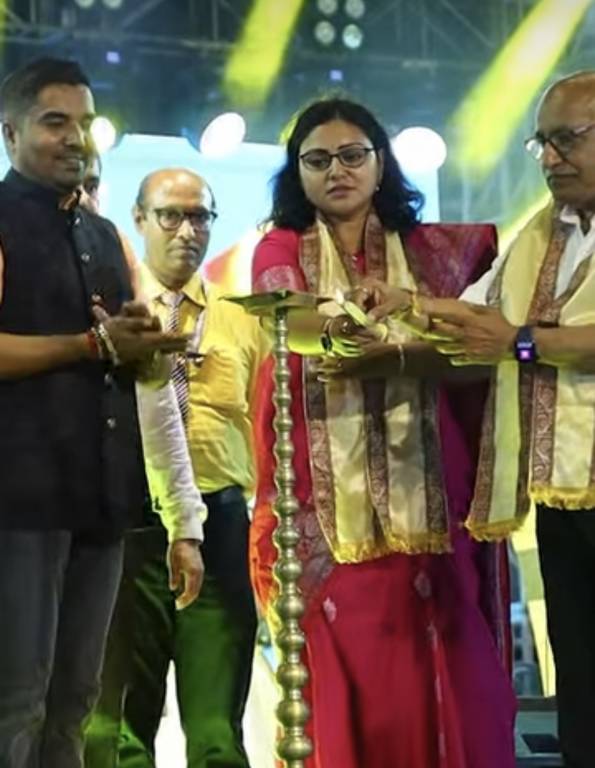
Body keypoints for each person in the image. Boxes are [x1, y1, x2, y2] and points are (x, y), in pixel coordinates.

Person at [250, 97, 516, 768]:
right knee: (347, 665)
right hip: (326, 499)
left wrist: (401, 349)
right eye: (317, 160)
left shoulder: (437, 255)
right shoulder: (281, 247)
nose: (336, 171)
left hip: (433, 488)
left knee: (446, 654)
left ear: (379, 161)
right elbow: (291, 323)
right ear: (296, 172)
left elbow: (479, 347)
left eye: (351, 155)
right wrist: (341, 331)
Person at [398, 71, 595, 768]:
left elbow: (510, 336)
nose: (549, 158)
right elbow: (481, 309)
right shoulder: (543, 229)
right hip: (564, 495)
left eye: (567, 140)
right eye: (540, 143)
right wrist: (404, 308)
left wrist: (519, 343)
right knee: (580, 682)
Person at [0, 57, 188, 768]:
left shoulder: (104, 235)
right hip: (19, 500)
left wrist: (140, 343)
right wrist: (91, 344)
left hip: (101, 494)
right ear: (10, 133)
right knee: (17, 699)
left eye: (85, 123)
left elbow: (117, 352)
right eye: (56, 123)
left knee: (78, 699)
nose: (76, 138)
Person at [85, 168, 269, 768]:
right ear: (139, 220)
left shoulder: (245, 317)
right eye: (171, 215)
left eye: (200, 216)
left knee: (217, 728)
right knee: (118, 726)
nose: (187, 230)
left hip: (220, 523)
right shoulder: (110, 315)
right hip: (130, 524)